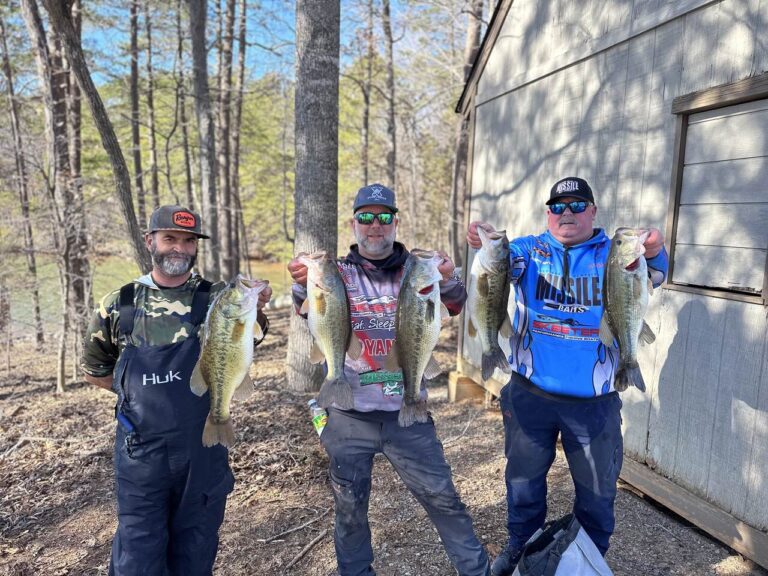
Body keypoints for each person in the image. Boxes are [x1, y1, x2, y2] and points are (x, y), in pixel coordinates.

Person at [466, 177, 668, 576]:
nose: (567, 213)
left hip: (594, 403)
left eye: (577, 205)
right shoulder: (526, 251)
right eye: (558, 206)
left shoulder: (614, 254)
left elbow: (656, 273)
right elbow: (494, 269)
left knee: (597, 493)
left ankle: (585, 562)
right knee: (522, 483)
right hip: (530, 394)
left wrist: (657, 252)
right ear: (548, 213)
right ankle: (520, 547)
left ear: (594, 211)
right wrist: (480, 241)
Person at [287, 184, 491, 576]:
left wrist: (446, 275)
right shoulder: (337, 273)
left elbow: (453, 301)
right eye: (366, 217)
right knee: (349, 509)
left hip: (406, 412)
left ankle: (477, 571)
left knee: (443, 498)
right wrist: (301, 279)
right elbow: (306, 304)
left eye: (383, 217)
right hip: (348, 415)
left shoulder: (416, 270)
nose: (375, 226)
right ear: (354, 224)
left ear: (396, 222)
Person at [81, 205, 272, 575]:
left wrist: (258, 306)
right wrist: (146, 401)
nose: (179, 248)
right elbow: (96, 371)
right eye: (170, 238)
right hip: (141, 456)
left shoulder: (217, 297)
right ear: (150, 240)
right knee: (138, 554)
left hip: (201, 452)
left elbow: (251, 339)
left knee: (195, 551)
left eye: (188, 241)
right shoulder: (119, 303)